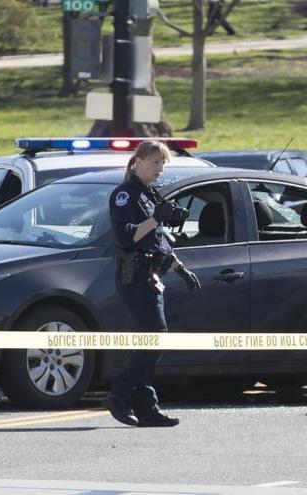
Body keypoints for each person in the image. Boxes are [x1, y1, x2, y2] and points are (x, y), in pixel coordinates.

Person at [106, 140, 201, 428]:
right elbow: (127, 237)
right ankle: (119, 395)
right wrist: (155, 218)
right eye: (155, 162)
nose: (160, 169)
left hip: (152, 276)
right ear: (137, 162)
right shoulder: (125, 195)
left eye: (162, 163)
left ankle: (147, 408)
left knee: (150, 341)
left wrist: (179, 267)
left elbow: (158, 241)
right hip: (134, 277)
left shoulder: (149, 194)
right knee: (155, 337)